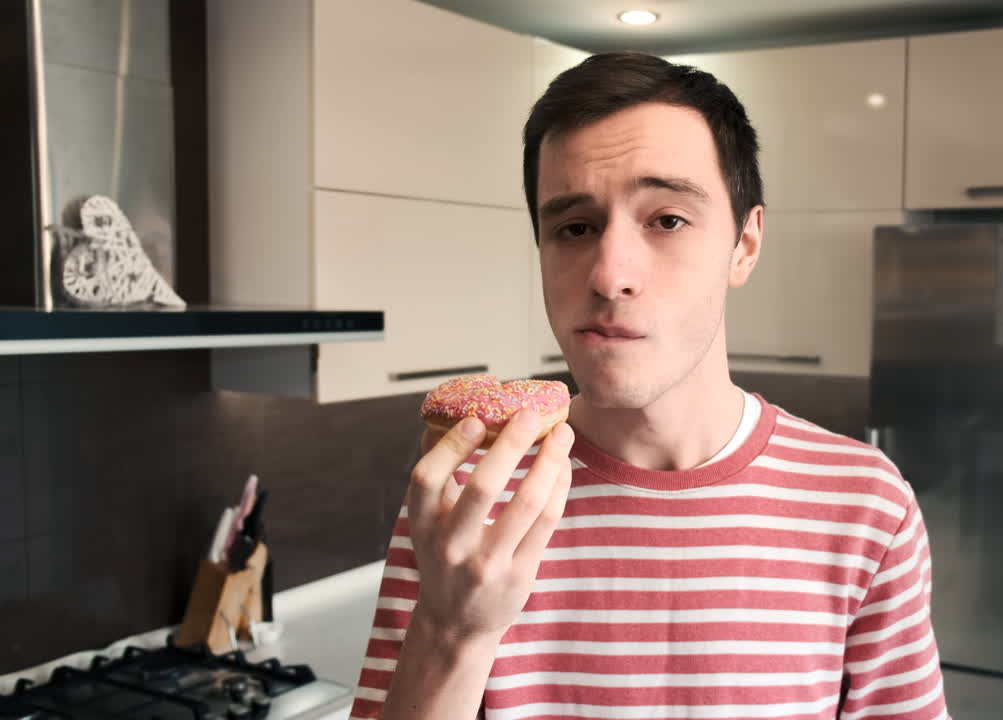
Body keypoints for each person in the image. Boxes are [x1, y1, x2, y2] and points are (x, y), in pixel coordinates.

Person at [350, 52, 950, 720]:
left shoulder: (866, 505)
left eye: (666, 219)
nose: (609, 275)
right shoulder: (467, 499)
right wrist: (452, 635)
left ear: (744, 245)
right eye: (574, 227)